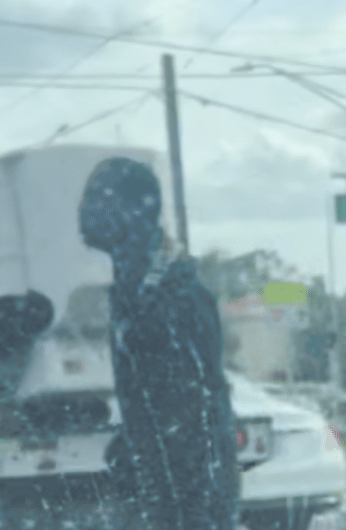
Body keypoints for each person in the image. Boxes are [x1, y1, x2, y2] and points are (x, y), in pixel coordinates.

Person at [78, 157, 239, 530]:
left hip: (186, 501)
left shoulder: (175, 299)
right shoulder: (134, 295)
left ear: (129, 217)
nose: (84, 216)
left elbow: (198, 415)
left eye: (98, 202)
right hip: (166, 492)